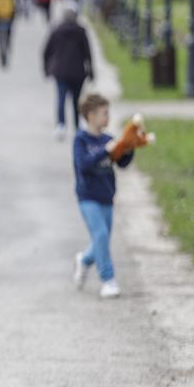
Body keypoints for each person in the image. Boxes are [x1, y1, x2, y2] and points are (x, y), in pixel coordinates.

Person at [72, 93, 132, 300]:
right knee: (101, 235)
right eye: (104, 114)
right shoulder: (80, 140)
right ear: (91, 116)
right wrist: (104, 152)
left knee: (102, 239)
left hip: (107, 196)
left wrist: (127, 148)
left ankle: (84, 259)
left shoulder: (109, 139)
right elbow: (83, 165)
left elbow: (122, 164)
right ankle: (108, 280)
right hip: (87, 197)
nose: (108, 118)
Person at [42, 0, 92, 140]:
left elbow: (46, 51)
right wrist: (91, 71)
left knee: (61, 99)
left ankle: (61, 125)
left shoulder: (56, 30)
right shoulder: (81, 31)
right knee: (76, 100)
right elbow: (87, 53)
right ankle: (77, 127)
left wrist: (46, 69)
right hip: (77, 71)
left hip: (60, 71)